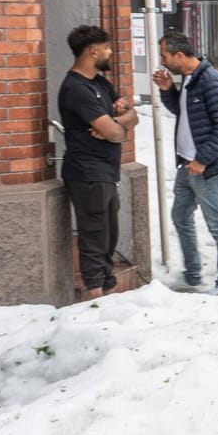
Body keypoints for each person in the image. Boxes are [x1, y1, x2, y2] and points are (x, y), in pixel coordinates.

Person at [154, 32, 218, 293]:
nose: (163, 61)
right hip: (188, 164)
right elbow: (185, 113)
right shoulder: (189, 79)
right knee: (180, 215)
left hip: (204, 167)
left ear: (179, 55)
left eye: (165, 56)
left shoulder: (210, 81)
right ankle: (192, 274)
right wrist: (167, 90)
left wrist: (203, 160)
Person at [57, 25, 138, 300]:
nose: (110, 52)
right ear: (93, 51)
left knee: (109, 235)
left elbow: (131, 117)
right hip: (87, 173)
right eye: (107, 48)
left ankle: (109, 290)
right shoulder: (76, 89)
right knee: (94, 236)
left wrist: (114, 122)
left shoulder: (100, 83)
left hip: (104, 172)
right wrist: (115, 127)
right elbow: (116, 134)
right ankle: (95, 298)